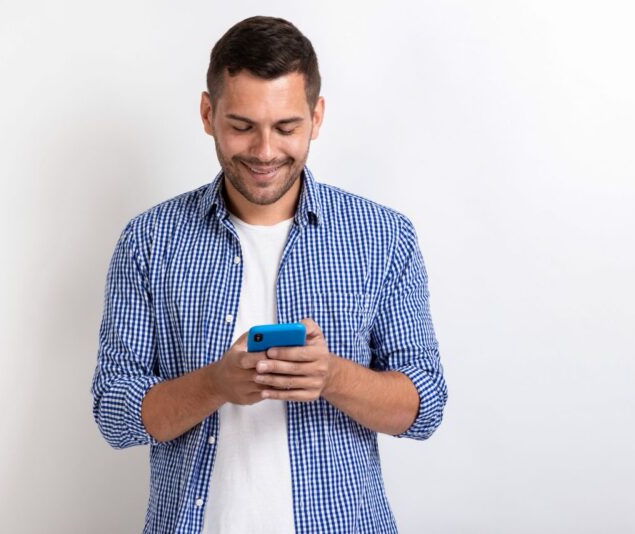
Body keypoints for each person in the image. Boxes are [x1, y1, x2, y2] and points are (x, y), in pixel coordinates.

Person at [90, 15, 447, 534]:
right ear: (208, 113)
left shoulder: (383, 237)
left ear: (316, 117)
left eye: (286, 127)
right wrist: (215, 383)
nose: (264, 151)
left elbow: (424, 406)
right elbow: (115, 415)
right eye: (242, 126)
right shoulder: (149, 241)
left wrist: (331, 376)